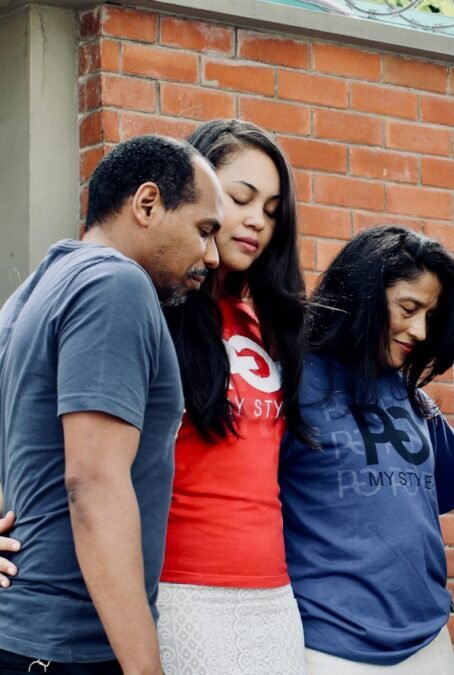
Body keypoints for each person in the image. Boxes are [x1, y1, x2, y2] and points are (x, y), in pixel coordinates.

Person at [0, 136, 223, 674]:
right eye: (204, 229)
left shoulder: (34, 290)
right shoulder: (114, 284)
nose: (212, 256)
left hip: (24, 636)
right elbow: (93, 483)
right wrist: (145, 668)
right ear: (147, 204)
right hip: (69, 646)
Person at [279, 226, 454, 674]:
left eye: (430, 314)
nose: (421, 330)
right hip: (328, 646)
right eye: (409, 307)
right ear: (364, 294)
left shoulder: (411, 399)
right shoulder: (292, 382)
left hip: (427, 642)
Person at [156, 119, 311, 674]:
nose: (256, 222)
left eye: (271, 210)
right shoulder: (151, 310)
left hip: (274, 596)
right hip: (181, 591)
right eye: (241, 199)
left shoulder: (275, 326)